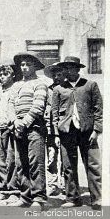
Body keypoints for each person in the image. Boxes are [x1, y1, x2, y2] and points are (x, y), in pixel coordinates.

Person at [52, 56, 102, 210]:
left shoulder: (90, 85)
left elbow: (98, 110)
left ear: (78, 69)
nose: (68, 71)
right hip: (67, 132)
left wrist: (96, 130)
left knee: (92, 165)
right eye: (65, 68)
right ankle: (73, 198)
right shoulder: (59, 89)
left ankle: (97, 198)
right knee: (68, 165)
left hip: (87, 132)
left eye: (71, 67)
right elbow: (54, 114)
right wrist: (56, 135)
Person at [7, 52, 48, 209]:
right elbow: (10, 104)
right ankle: (25, 196)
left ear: (35, 66)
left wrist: (24, 123)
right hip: (19, 127)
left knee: (35, 163)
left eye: (28, 64)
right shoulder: (16, 85)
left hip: (34, 127)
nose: (24, 67)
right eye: (22, 65)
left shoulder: (40, 83)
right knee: (21, 163)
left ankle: (38, 198)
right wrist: (15, 121)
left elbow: (38, 106)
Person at [0, 60, 20, 201]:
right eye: (1, 74)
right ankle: (3, 189)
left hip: (11, 129)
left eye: (6, 74)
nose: (2, 77)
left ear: (12, 75)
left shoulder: (16, 89)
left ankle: (13, 190)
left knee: (12, 160)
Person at [43, 62, 66, 196]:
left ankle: (64, 184)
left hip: (65, 129)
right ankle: (52, 184)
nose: (57, 77)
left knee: (65, 158)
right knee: (51, 157)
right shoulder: (48, 90)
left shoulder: (67, 89)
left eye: (60, 74)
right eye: (54, 75)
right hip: (51, 130)